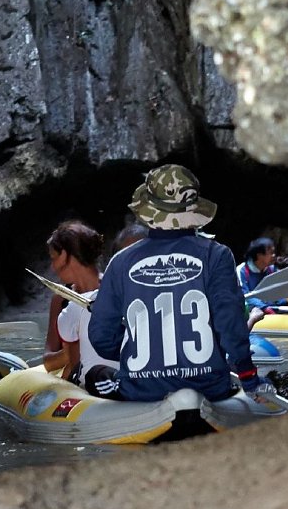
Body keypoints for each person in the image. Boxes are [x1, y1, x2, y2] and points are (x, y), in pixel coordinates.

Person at [88, 164, 266, 402]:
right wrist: (249, 378)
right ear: (193, 210)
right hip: (210, 387)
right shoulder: (218, 255)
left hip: (143, 390)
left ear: (148, 211)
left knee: (94, 374)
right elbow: (231, 326)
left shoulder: (120, 263)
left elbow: (101, 338)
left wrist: (141, 345)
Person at [45, 220, 118, 388]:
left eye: (53, 258)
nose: (52, 266)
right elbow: (48, 361)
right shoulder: (60, 300)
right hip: (84, 376)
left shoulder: (116, 291)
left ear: (64, 256)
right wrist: (76, 348)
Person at [237, 237, 283, 328]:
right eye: (271, 253)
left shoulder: (272, 270)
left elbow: (281, 292)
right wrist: (264, 308)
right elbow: (244, 295)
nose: (274, 256)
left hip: (273, 311)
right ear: (259, 255)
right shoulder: (241, 271)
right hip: (252, 312)